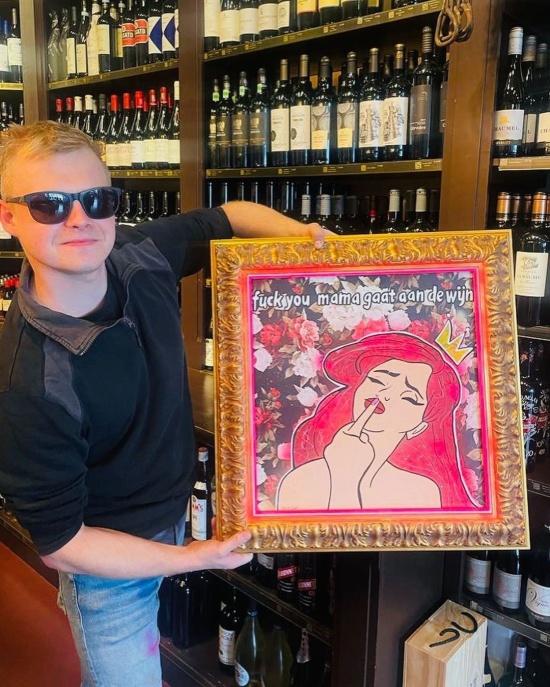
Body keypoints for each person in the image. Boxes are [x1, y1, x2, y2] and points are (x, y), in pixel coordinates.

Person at [0, 121, 327, 687]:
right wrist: (191, 559)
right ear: (9, 218)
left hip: (174, 511)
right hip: (109, 568)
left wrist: (307, 237)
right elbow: (63, 545)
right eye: (49, 204)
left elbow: (228, 217)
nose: (79, 219)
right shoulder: (26, 383)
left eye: (97, 200)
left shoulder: (138, 253)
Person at [276, 331, 477, 511]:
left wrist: (345, 481)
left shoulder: (421, 491)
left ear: (418, 427)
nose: (385, 394)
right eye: (377, 380)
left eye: (409, 397)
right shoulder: (300, 482)